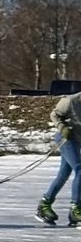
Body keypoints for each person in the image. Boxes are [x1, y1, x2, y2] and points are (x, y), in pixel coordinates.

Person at [36, 91, 81, 226]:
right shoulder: (71, 101)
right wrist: (62, 128)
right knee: (80, 169)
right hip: (66, 138)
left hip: (77, 141)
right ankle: (76, 208)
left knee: (63, 174)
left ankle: (45, 205)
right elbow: (54, 114)